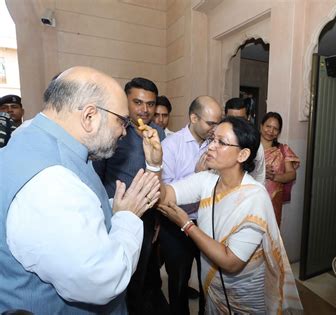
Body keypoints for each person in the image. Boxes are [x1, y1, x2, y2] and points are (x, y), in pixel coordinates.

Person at [0, 66, 161, 313]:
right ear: (90, 116)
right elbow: (102, 280)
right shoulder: (51, 184)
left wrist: (113, 208)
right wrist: (126, 217)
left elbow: (78, 213)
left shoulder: (35, 139)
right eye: (121, 121)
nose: (124, 131)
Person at [158, 116, 303, 314]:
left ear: (242, 155)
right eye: (212, 139)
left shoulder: (255, 197)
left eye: (221, 142)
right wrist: (154, 163)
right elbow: (164, 195)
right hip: (213, 287)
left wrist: (187, 225)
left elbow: (231, 262)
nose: (210, 147)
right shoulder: (206, 180)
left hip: (244, 294)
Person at [93, 77, 167, 314]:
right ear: (126, 101)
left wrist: (155, 216)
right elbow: (97, 176)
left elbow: (158, 174)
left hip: (145, 214)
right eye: (138, 102)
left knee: (138, 271)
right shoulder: (113, 130)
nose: (145, 109)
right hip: (112, 214)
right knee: (112, 275)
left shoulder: (158, 132)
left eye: (150, 104)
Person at [160, 95, 222, 314]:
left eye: (218, 123)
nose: (215, 129)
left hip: (207, 223)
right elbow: (162, 194)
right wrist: (195, 176)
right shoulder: (170, 146)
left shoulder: (216, 146)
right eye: (210, 123)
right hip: (176, 225)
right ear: (193, 117)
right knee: (179, 281)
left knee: (210, 280)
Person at [260, 112, 300, 227]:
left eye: (275, 129)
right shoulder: (250, 148)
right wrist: (259, 171)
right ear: (261, 126)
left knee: (271, 236)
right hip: (250, 198)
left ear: (279, 132)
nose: (271, 131)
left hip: (273, 202)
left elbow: (292, 174)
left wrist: (273, 176)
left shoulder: (282, 150)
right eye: (268, 126)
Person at [224, 97, 265, 184]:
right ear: (225, 117)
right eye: (231, 119)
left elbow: (260, 175)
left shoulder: (255, 145)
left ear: (248, 118)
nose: (235, 124)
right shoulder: (215, 142)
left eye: (240, 119)